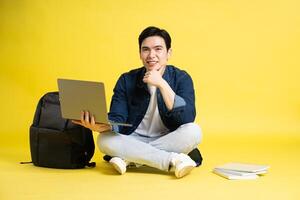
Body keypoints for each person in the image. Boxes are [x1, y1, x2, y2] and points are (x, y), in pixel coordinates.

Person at [72, 26, 202, 178]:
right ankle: (173, 159)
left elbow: (187, 117)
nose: (151, 55)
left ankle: (129, 159)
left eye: (158, 49)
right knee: (104, 139)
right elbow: (117, 117)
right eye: (145, 49)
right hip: (132, 138)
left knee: (194, 131)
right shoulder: (126, 80)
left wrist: (162, 84)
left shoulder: (181, 78)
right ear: (140, 53)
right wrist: (102, 125)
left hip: (167, 138)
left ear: (168, 53)